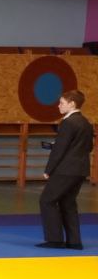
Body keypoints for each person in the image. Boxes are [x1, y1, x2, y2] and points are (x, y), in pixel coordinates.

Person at [38, 90, 92, 250]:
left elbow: (59, 150)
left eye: (61, 103)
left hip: (65, 170)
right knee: (68, 203)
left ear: (72, 104)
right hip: (80, 169)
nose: (58, 106)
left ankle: (55, 239)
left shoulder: (68, 123)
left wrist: (48, 169)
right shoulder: (86, 123)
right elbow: (88, 147)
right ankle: (74, 242)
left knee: (47, 200)